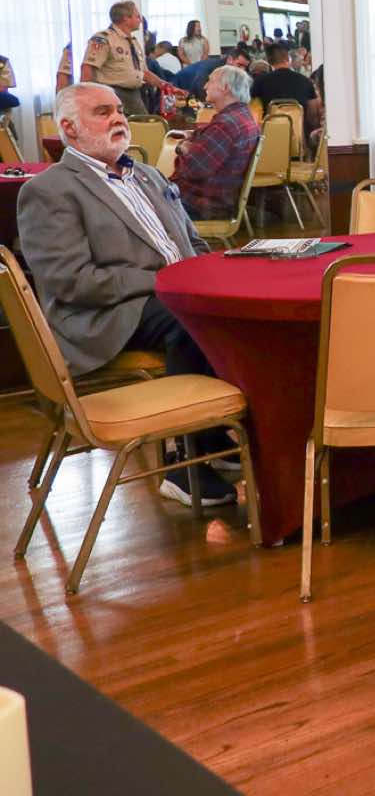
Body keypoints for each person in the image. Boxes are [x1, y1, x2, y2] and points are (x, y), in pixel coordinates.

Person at [16, 83, 235, 506]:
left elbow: (193, 242)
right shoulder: (49, 190)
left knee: (233, 311)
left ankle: (211, 434)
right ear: (70, 128)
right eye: (103, 112)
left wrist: (211, 275)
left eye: (119, 109)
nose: (118, 118)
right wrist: (164, 281)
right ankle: (182, 465)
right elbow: (71, 281)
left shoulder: (148, 175)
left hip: (170, 293)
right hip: (104, 313)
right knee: (188, 320)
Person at [170, 64, 261, 220]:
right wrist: (197, 138)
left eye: (210, 81)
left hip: (200, 203)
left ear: (225, 88)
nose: (205, 86)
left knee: (133, 199)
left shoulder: (225, 125)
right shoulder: (243, 116)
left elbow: (194, 168)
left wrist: (183, 147)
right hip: (219, 199)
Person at [82, 0, 168, 118]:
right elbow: (88, 67)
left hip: (133, 95)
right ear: (126, 18)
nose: (140, 20)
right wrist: (86, 98)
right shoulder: (104, 39)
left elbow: (144, 73)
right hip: (111, 94)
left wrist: (167, 86)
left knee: (143, 126)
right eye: (137, 16)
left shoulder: (133, 41)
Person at [252, 42, 320, 129]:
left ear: (268, 61)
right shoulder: (305, 81)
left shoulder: (259, 82)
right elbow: (313, 113)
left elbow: (255, 113)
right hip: (300, 131)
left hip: (269, 132)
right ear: (288, 58)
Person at [174, 48, 247, 97]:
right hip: (178, 86)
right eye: (239, 65)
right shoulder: (211, 67)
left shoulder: (228, 69)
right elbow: (199, 87)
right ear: (230, 60)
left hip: (190, 90)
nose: (243, 69)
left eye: (245, 66)